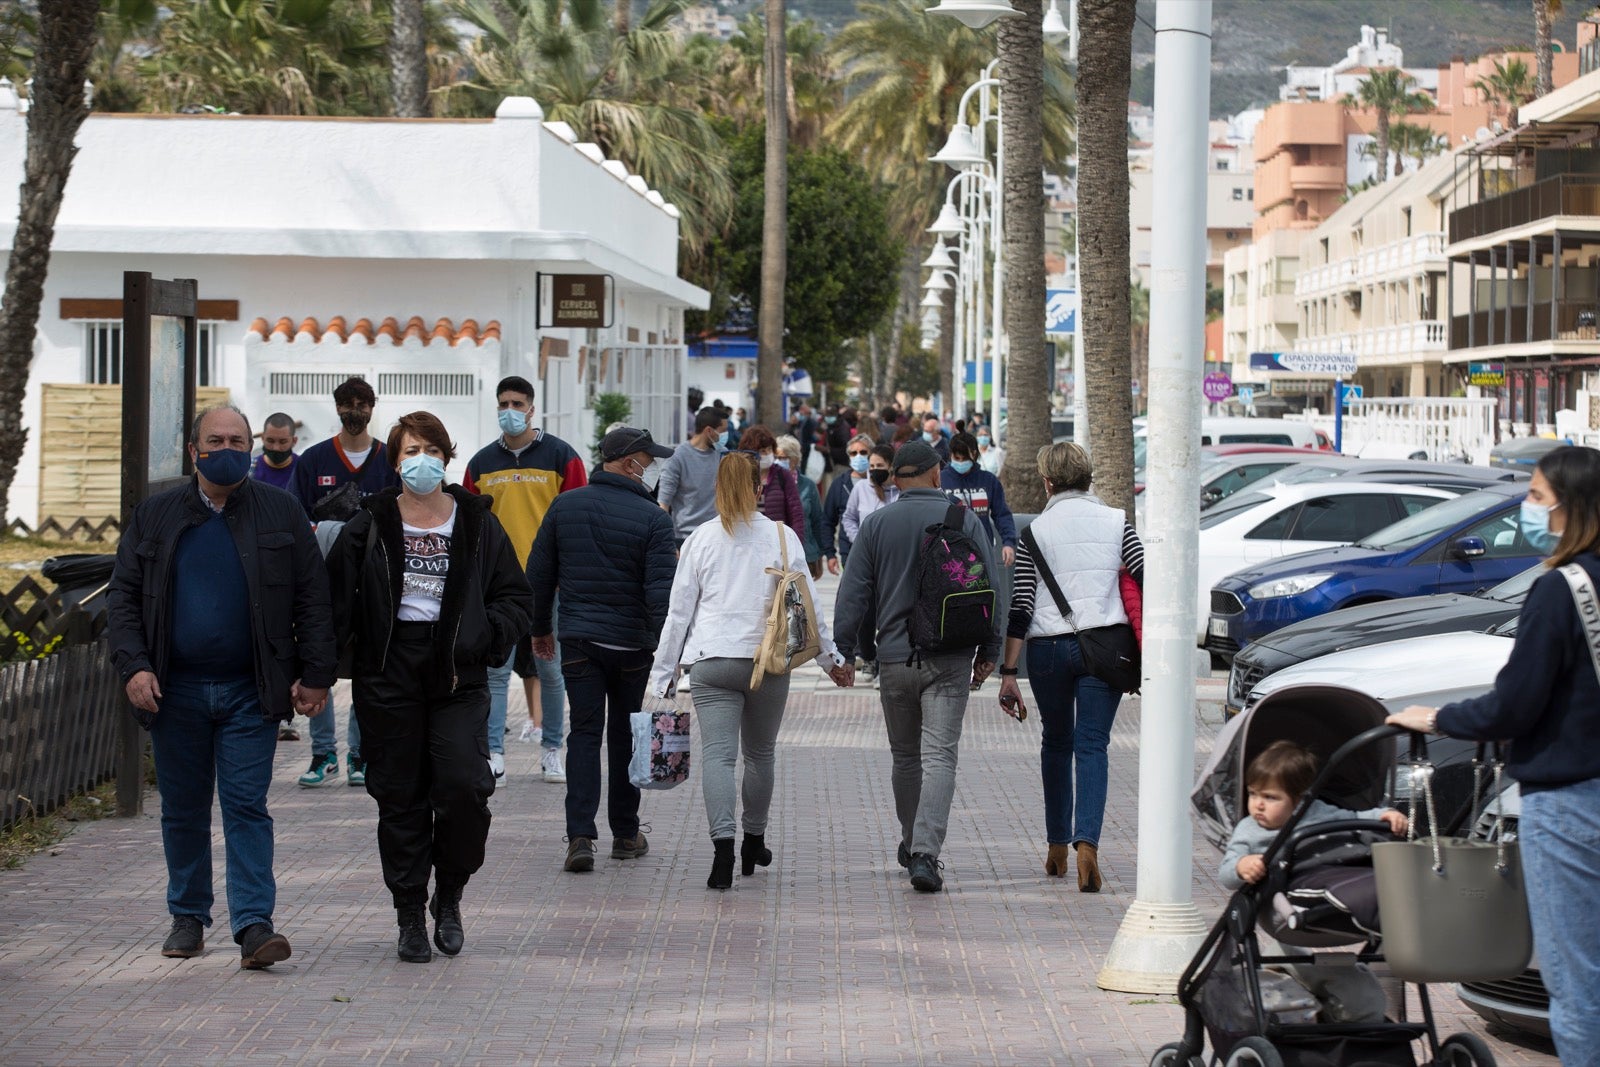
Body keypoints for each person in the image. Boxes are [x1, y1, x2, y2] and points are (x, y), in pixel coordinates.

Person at [1387, 445, 1600, 1063]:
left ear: (1570, 508)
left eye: (1536, 496)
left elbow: (1514, 707)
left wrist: (1439, 717)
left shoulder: (1560, 590)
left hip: (1572, 803)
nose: (1528, 508)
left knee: (1580, 979)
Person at [108, 404, 336, 968]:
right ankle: (187, 917)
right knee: (183, 809)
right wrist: (134, 666)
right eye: (216, 439)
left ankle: (255, 926)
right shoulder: (155, 516)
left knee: (245, 806)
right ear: (195, 450)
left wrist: (316, 675)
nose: (228, 447)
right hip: (174, 690)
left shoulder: (281, 512)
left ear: (253, 447)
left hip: (249, 690)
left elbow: (313, 599)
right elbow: (123, 600)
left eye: (239, 438)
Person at [328, 411, 532, 964]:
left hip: (457, 675)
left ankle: (451, 895)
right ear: (395, 461)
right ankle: (410, 913)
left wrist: (488, 637)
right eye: (411, 450)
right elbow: (333, 601)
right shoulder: (367, 525)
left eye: (432, 449)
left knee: (466, 788)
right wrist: (326, 670)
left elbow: (514, 595)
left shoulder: (477, 523)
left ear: (447, 456)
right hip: (389, 674)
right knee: (400, 797)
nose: (422, 459)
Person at [649, 452, 853, 889]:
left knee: (719, 757)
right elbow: (807, 609)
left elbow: (677, 614)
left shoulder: (700, 539)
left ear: (716, 489)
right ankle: (753, 842)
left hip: (711, 660)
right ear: (759, 488)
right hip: (769, 661)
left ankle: (722, 852)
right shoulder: (783, 538)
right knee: (760, 754)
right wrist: (830, 661)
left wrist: (662, 675)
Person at [832, 440, 1001, 893]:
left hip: (893, 658)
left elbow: (853, 595)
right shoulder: (964, 520)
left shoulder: (875, 524)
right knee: (939, 755)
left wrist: (843, 654)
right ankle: (926, 852)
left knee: (905, 757)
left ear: (896, 479)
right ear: (934, 474)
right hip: (950, 656)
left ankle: (911, 842)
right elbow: (991, 587)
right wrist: (992, 650)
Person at [526, 427, 678, 875]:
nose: (651, 467)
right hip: (633, 647)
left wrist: (539, 629)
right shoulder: (653, 518)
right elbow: (659, 594)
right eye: (647, 459)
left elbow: (539, 574)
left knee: (585, 734)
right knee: (626, 735)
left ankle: (580, 836)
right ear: (629, 463)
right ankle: (626, 834)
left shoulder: (565, 505)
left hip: (579, 643)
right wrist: (667, 655)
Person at [996, 442, 1144, 892]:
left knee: (1055, 743)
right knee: (1093, 745)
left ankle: (1057, 847)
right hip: (1105, 647)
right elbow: (1145, 572)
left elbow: (1021, 605)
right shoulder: (1119, 523)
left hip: (1047, 651)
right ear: (1089, 478)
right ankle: (1088, 848)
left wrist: (1008, 672)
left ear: (1047, 482)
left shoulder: (1034, 533)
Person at [464, 375, 586, 785]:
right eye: (503, 404)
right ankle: (493, 753)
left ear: (532, 409)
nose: (510, 411)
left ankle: (553, 749)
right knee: (496, 670)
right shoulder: (480, 464)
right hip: (497, 583)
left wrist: (566, 573)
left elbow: (576, 518)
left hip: (547, 583)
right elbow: (469, 524)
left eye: (518, 403)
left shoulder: (561, 456)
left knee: (551, 670)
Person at [291, 376, 399, 789]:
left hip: (373, 581)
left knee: (369, 664)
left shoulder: (390, 459)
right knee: (320, 659)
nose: (355, 410)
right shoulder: (314, 460)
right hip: (321, 582)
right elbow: (297, 519)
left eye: (362, 403)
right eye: (347, 403)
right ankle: (323, 754)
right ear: (336, 408)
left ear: (373, 407)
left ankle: (359, 753)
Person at [1218, 740, 1407, 936]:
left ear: (1300, 798)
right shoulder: (1249, 830)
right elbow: (1226, 873)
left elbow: (1354, 818)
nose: (1258, 804)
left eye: (1270, 797)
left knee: (1393, 882)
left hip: (1345, 871)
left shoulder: (1316, 811)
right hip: (1292, 893)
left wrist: (1383, 815)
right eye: (1253, 794)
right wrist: (1241, 866)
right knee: (1368, 892)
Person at [941, 432, 1018, 567]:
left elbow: (1001, 514)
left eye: (964, 458)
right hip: (949, 554)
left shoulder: (988, 480)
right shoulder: (941, 480)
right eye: (956, 458)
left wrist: (1008, 542)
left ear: (974, 454)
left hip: (982, 550)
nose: (960, 462)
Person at [658, 406, 728, 548]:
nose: (725, 435)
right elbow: (663, 504)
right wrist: (668, 543)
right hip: (686, 539)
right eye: (722, 431)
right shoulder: (677, 458)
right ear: (709, 430)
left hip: (719, 538)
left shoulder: (723, 455)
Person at [776, 433, 826, 580]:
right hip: (776, 556)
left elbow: (817, 520)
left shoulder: (808, 486)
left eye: (783, 458)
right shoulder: (771, 485)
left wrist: (819, 555)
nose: (778, 462)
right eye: (776, 457)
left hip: (805, 554)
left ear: (795, 459)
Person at [739, 425, 805, 534]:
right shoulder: (740, 477)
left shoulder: (782, 475)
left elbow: (796, 513)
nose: (767, 454)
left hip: (778, 542)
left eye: (769, 449)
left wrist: (795, 543)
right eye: (762, 451)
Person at [823, 434, 873, 576]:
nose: (858, 456)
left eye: (863, 452)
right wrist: (830, 554)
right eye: (854, 453)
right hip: (849, 553)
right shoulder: (840, 484)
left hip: (877, 552)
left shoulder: (879, 484)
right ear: (849, 456)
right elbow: (827, 520)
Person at [841, 443, 900, 547]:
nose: (875, 469)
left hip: (893, 551)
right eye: (872, 466)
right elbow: (849, 518)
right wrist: (857, 541)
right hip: (866, 552)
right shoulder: (861, 488)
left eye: (880, 465)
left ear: (891, 466)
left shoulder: (901, 490)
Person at [252, 412, 299, 491]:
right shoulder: (249, 470)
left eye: (283, 442)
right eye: (270, 441)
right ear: (263, 438)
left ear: (294, 441)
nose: (276, 448)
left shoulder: (304, 468)